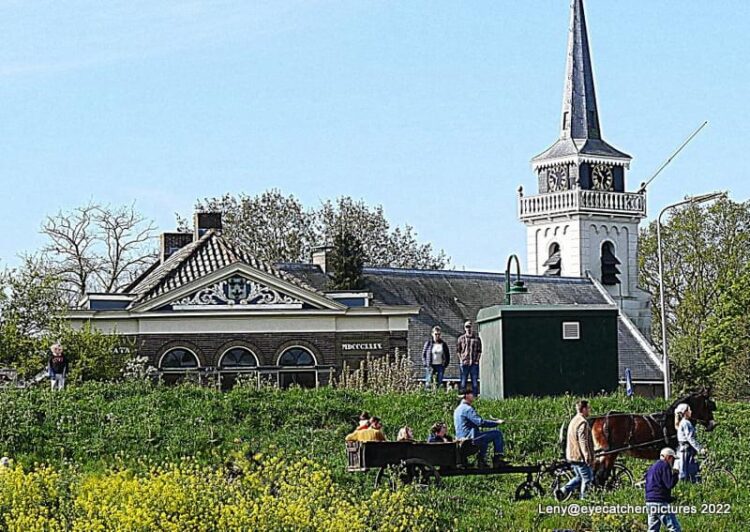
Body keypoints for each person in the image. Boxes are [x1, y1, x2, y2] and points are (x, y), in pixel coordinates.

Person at [453, 390, 504, 468]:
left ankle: (481, 460)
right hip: (469, 439)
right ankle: (498, 459)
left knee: (483, 439)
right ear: (466, 396)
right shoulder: (467, 409)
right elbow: (480, 422)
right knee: (497, 434)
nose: (473, 396)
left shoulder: (457, 409)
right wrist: (497, 423)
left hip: (461, 438)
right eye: (471, 394)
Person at [556, 399, 595, 500]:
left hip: (571, 456)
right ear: (584, 409)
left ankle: (563, 491)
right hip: (579, 457)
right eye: (588, 408)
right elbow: (583, 441)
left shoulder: (573, 420)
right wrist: (587, 456)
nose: (589, 410)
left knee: (578, 477)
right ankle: (584, 500)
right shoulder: (582, 422)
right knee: (587, 479)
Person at [644, 447, 681, 532]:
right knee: (674, 528)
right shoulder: (665, 465)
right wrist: (675, 475)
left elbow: (656, 486)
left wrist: (669, 498)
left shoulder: (653, 467)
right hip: (659, 503)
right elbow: (669, 484)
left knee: (652, 529)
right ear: (668, 457)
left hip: (649, 502)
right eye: (673, 459)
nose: (673, 462)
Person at [674, 403, 706, 482]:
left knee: (685, 468)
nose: (691, 411)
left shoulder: (683, 422)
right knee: (684, 470)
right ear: (685, 412)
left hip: (683, 447)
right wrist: (700, 449)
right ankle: (685, 485)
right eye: (689, 410)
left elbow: (677, 426)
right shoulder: (686, 423)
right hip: (686, 448)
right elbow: (690, 438)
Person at [457, 321, 481, 395]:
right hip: (464, 363)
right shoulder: (461, 339)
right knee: (463, 382)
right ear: (464, 328)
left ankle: (475, 398)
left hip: (474, 363)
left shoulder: (477, 339)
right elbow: (458, 351)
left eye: (469, 327)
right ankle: (463, 398)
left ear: (472, 327)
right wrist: (461, 359)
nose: (468, 328)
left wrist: (477, 360)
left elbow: (479, 351)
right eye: (467, 327)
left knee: (474, 383)